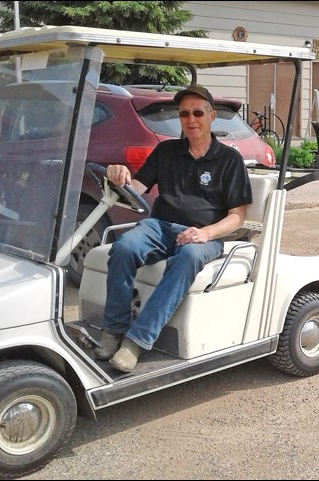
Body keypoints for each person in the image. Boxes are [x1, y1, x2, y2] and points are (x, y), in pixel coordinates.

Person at [93, 85, 253, 373]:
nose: (191, 119)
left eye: (197, 113)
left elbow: (237, 216)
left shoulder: (229, 160)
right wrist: (118, 176)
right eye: (184, 114)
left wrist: (205, 233)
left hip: (204, 235)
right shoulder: (166, 151)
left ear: (212, 116)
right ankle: (113, 330)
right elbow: (136, 190)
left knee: (188, 258)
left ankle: (136, 342)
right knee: (124, 248)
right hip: (160, 226)